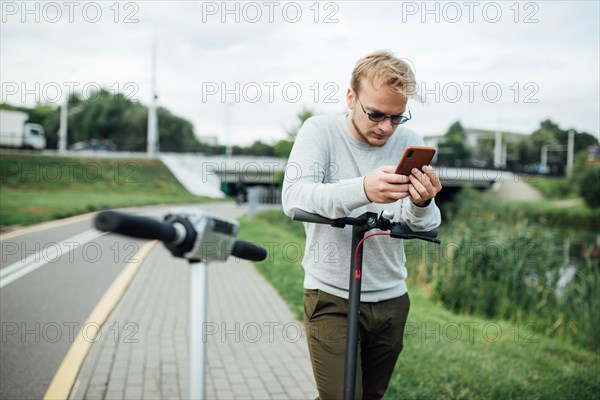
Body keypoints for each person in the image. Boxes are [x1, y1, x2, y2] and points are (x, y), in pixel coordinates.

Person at [281, 50, 442, 399]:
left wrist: (421, 202)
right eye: (376, 114)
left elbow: (423, 224)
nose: (386, 127)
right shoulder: (319, 131)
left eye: (396, 117)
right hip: (331, 295)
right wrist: (362, 188)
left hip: (391, 298)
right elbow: (293, 197)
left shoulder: (410, 141)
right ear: (351, 97)